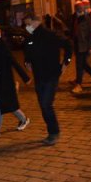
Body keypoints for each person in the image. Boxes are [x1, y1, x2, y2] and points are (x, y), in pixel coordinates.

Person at [23, 14, 72, 146]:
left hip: (51, 75)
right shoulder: (30, 37)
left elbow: (68, 45)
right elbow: (27, 52)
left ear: (36, 22)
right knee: (43, 105)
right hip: (39, 76)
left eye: (28, 23)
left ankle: (54, 132)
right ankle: (51, 132)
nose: (27, 26)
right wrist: (27, 61)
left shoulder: (50, 35)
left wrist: (66, 62)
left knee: (46, 104)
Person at [0, 24, 31, 141]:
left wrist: (25, 77)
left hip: (5, 81)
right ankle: (24, 119)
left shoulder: (3, 45)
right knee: (11, 106)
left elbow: (13, 61)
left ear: (0, 33)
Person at [70, 0, 91, 94]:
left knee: (79, 65)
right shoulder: (74, 17)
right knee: (82, 64)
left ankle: (79, 84)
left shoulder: (86, 18)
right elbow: (72, 30)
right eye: (77, 8)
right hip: (77, 44)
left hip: (84, 44)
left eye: (81, 7)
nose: (79, 9)